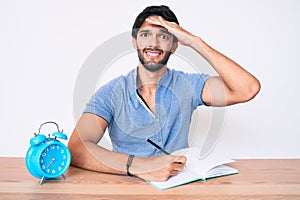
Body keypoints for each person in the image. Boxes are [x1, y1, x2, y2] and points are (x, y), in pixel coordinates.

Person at [68, 5, 260, 181]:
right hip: (126, 186)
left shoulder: (189, 85)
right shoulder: (110, 93)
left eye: (163, 36)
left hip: (179, 186)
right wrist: (140, 166)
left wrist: (195, 42)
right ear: (134, 42)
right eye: (145, 35)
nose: (154, 43)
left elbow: (247, 89)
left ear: (175, 46)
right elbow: (76, 149)